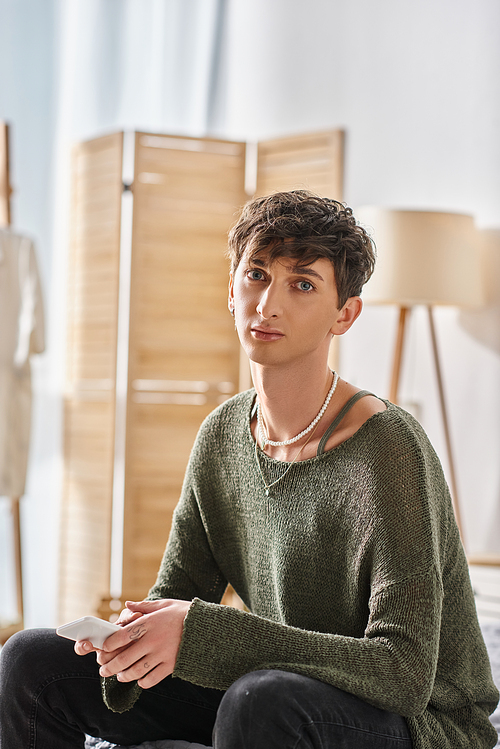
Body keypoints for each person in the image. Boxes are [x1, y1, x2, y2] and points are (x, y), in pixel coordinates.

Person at [0, 190, 498, 749]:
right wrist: (128, 642)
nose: (268, 304)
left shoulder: (389, 449)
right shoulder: (222, 434)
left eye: (302, 284)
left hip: (418, 724)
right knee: (31, 663)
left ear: (345, 314)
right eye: (257, 274)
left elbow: (403, 674)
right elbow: (180, 593)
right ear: (231, 290)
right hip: (274, 690)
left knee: (258, 698)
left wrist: (203, 632)